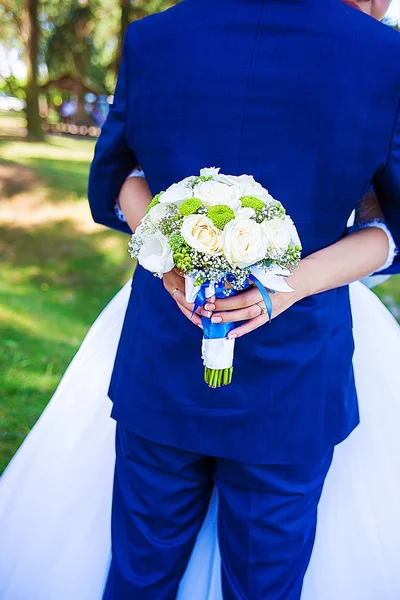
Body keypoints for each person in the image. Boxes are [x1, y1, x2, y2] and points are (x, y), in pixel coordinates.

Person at [1, 1, 400, 599]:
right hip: (293, 382)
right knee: (264, 587)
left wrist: (171, 259)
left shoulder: (155, 35)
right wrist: (285, 286)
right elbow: (392, 227)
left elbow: (117, 178)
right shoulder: (384, 54)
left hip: (165, 353)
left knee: (140, 574)